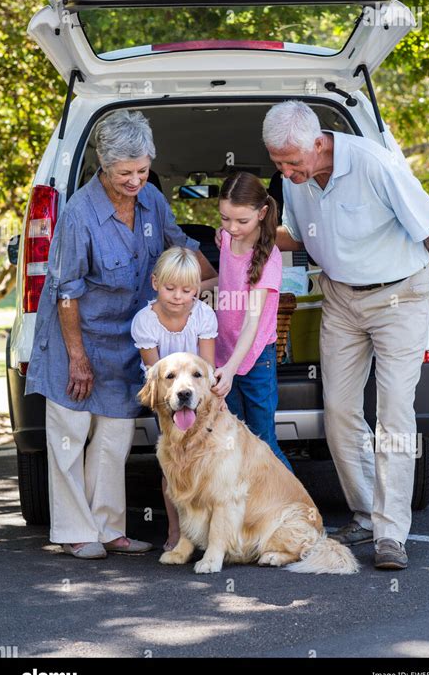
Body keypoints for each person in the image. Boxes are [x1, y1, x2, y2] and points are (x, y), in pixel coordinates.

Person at [257, 100, 429, 570]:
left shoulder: (374, 163)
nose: (284, 171)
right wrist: (244, 235)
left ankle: (391, 533)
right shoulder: (294, 180)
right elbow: (298, 236)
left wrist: (407, 270)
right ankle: (366, 513)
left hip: (399, 296)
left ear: (319, 144)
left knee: (395, 415)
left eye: (291, 162)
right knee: (340, 411)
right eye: (278, 162)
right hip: (340, 299)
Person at [25, 109, 217, 559]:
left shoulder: (152, 200)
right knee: (71, 434)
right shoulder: (78, 215)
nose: (135, 180)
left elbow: (181, 249)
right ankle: (75, 531)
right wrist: (77, 356)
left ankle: (109, 528)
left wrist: (225, 283)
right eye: (124, 172)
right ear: (103, 165)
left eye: (142, 170)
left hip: (127, 340)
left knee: (114, 437)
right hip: (78, 334)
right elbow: (66, 292)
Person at [203, 171, 293, 472]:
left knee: (262, 441)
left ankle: (297, 510)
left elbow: (252, 323)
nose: (231, 227)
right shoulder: (227, 238)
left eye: (241, 221)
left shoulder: (269, 259)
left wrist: (230, 370)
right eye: (225, 219)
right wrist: (190, 290)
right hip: (225, 354)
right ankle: (248, 513)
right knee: (234, 439)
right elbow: (226, 284)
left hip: (254, 361)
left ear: (262, 212)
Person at [131, 246, 218, 551]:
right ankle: (176, 532)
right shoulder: (145, 321)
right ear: (155, 283)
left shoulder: (203, 316)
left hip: (199, 396)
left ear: (197, 289)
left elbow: (207, 370)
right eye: (170, 288)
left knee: (207, 464)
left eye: (187, 290)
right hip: (166, 398)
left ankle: (210, 535)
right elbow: (154, 375)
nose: (178, 297)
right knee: (172, 466)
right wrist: (174, 407)